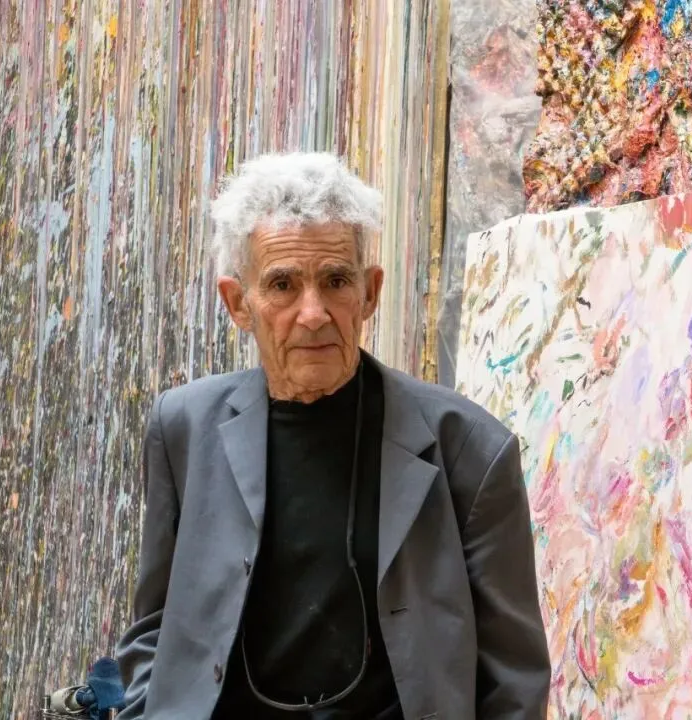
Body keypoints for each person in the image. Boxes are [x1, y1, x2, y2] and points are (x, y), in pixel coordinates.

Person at [115, 152, 551, 719]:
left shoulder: (469, 450)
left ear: (369, 292)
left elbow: (514, 682)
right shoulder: (184, 427)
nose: (313, 312)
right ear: (238, 303)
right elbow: (153, 625)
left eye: (336, 280)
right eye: (282, 285)